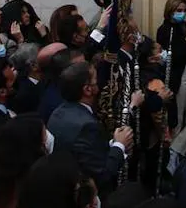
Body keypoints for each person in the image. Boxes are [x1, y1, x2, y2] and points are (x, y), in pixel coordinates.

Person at [46, 60, 133, 193]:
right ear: (87, 89)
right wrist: (119, 146)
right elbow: (103, 173)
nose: (99, 83)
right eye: (95, 80)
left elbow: (85, 151)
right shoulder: (87, 126)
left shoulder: (57, 113)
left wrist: (112, 143)